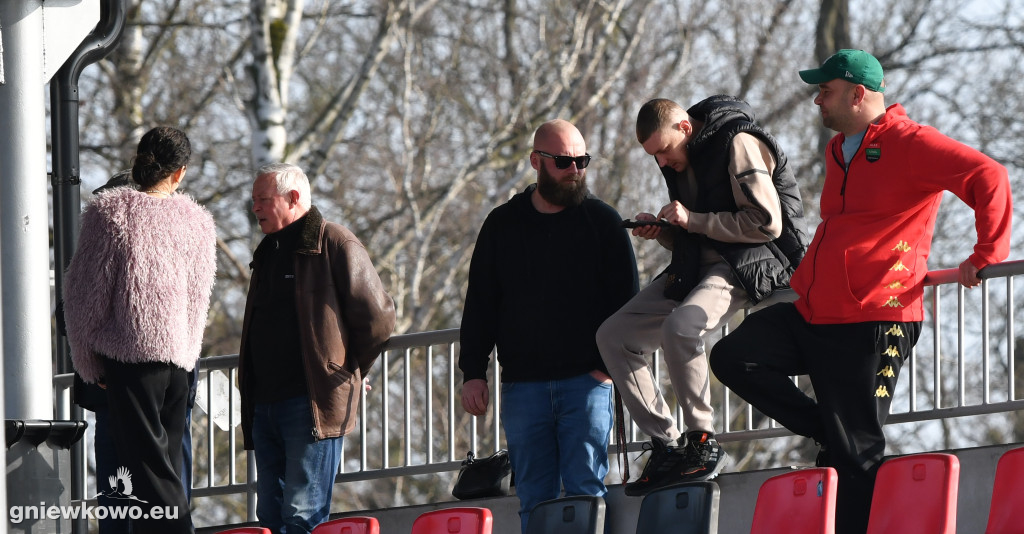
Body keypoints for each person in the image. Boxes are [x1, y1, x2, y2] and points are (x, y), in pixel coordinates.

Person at [710, 49, 1012, 534]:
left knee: (856, 458)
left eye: (825, 91)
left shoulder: (912, 142)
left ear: (858, 94)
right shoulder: (840, 149)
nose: (816, 100)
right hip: (814, 312)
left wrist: (986, 254)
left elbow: (989, 176)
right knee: (733, 357)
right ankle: (827, 427)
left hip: (876, 319)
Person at [595, 96, 809, 496]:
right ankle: (668, 445)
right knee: (612, 335)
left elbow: (766, 223)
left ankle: (703, 441)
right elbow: (694, 232)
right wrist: (663, 230)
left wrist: (690, 220)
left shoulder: (738, 141)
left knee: (682, 327)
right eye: (652, 156)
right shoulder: (680, 155)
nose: (661, 162)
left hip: (747, 262)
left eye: (663, 151)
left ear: (685, 128)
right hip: (696, 264)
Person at [459, 119, 639, 533]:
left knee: (586, 493)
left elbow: (628, 305)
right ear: (536, 162)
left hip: (588, 384)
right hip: (524, 388)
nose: (575, 170)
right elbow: (481, 303)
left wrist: (606, 370)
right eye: (563, 162)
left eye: (582, 160)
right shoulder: (502, 225)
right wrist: (473, 371)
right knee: (534, 498)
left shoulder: (603, 222)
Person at [63, 126, 217, 534]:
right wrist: (186, 351)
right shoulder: (198, 221)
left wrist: (90, 367)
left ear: (138, 161)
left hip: (130, 362)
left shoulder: (111, 213)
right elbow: (199, 299)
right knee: (165, 471)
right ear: (180, 173)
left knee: (146, 479)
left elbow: (82, 299)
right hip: (179, 365)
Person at [238, 163, 396, 534]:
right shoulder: (267, 252)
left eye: (263, 199)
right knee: (271, 516)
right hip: (264, 406)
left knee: (302, 516)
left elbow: (379, 317)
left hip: (309, 404)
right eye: (254, 200)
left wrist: (349, 371)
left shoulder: (335, 242)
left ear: (294, 198)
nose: (255, 208)